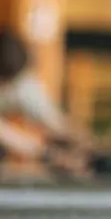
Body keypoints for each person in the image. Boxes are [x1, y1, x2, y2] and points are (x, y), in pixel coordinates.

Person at [0, 30, 90, 165]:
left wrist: (87, 143)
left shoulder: (18, 76)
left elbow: (53, 119)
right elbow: (6, 134)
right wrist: (45, 153)